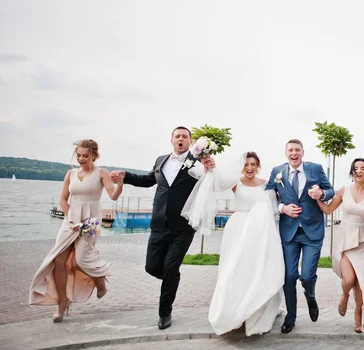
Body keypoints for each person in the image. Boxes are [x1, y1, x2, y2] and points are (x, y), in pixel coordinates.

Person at [111, 126, 211, 330]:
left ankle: (164, 313)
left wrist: (209, 166)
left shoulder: (197, 163)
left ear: (190, 142)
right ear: (171, 140)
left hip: (183, 227)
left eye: (185, 136)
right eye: (177, 136)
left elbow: (207, 177)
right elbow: (148, 180)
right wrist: (126, 176)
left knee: (170, 267)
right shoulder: (160, 160)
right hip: (158, 224)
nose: (181, 139)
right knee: (152, 267)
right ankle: (172, 277)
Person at [182, 152, 284, 335]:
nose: (250, 168)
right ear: (242, 166)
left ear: (258, 166)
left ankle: (256, 310)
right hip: (237, 230)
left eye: (253, 164)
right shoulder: (235, 183)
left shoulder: (266, 185)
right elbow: (214, 181)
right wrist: (209, 166)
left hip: (260, 233)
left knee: (257, 269)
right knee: (233, 270)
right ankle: (233, 312)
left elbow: (273, 209)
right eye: (246, 165)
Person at [29, 139, 123, 322]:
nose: (81, 158)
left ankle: (100, 281)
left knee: (81, 260)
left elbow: (113, 196)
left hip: (91, 221)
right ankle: (62, 304)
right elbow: (63, 200)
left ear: (94, 156)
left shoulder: (101, 173)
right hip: (70, 220)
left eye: (85, 156)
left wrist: (120, 184)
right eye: (78, 155)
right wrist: (70, 218)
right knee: (58, 260)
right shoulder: (70, 174)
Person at [265, 139, 335, 334]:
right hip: (289, 232)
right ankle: (290, 317)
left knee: (306, 275)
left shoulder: (315, 168)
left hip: (312, 230)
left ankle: (310, 295)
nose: (294, 153)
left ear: (303, 152)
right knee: (289, 276)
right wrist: (282, 208)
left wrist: (320, 193)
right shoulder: (277, 171)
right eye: (290, 150)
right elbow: (268, 197)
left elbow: (331, 191)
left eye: (297, 150)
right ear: (286, 152)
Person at [316, 158, 364, 333]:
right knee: (349, 279)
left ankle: (358, 314)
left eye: (362, 168)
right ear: (352, 172)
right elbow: (328, 210)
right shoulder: (344, 191)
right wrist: (316, 198)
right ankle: (344, 295)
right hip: (345, 239)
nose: (359, 171)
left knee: (362, 282)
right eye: (355, 168)